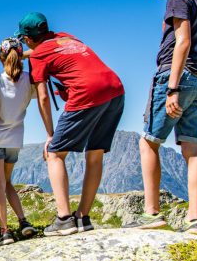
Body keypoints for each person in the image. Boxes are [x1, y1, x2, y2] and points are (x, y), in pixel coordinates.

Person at [16, 12, 125, 236]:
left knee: (55, 153)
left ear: (27, 38)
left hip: (87, 92)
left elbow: (43, 97)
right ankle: (83, 217)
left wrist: (50, 135)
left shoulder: (38, 57)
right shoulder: (67, 37)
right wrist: (23, 55)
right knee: (94, 153)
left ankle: (64, 219)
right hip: (115, 89)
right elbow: (48, 50)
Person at [131, 0, 197, 236]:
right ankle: (194, 220)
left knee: (148, 143)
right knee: (192, 148)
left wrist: (172, 87)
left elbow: (183, 41)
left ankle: (152, 213)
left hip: (177, 75)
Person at [0, 37, 38, 245]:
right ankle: (23, 221)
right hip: (16, 140)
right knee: (8, 183)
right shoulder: (29, 80)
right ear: (20, 57)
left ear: (0, 58)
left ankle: (5, 231)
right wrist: (24, 56)